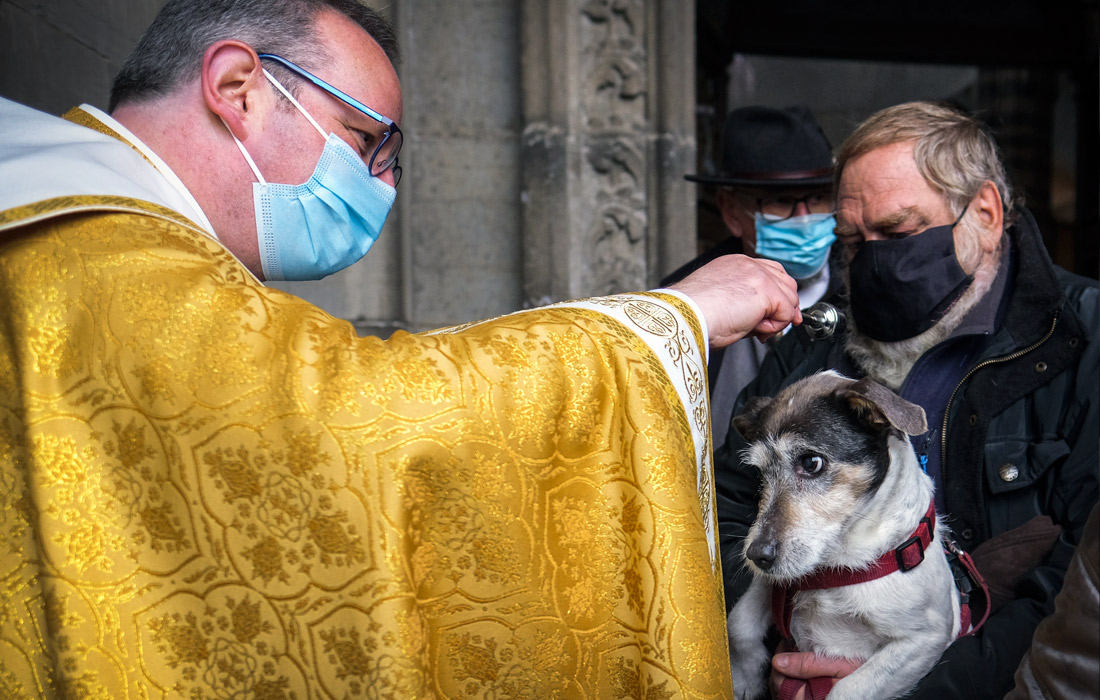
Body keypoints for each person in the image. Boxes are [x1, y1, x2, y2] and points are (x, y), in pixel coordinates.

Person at [0, 1, 802, 698]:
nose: (382, 187)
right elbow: (360, 419)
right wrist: (671, 320)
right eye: (365, 140)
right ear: (238, 87)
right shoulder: (94, 254)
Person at [715, 100, 1099, 699]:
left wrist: (917, 683)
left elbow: (1083, 577)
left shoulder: (1084, 339)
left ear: (986, 212)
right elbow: (730, 501)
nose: (874, 260)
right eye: (853, 241)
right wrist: (772, 641)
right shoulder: (815, 343)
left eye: (897, 232)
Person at [670, 105, 840, 445]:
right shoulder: (685, 304)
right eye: (781, 201)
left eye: (819, 198)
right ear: (732, 211)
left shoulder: (864, 285)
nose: (804, 217)